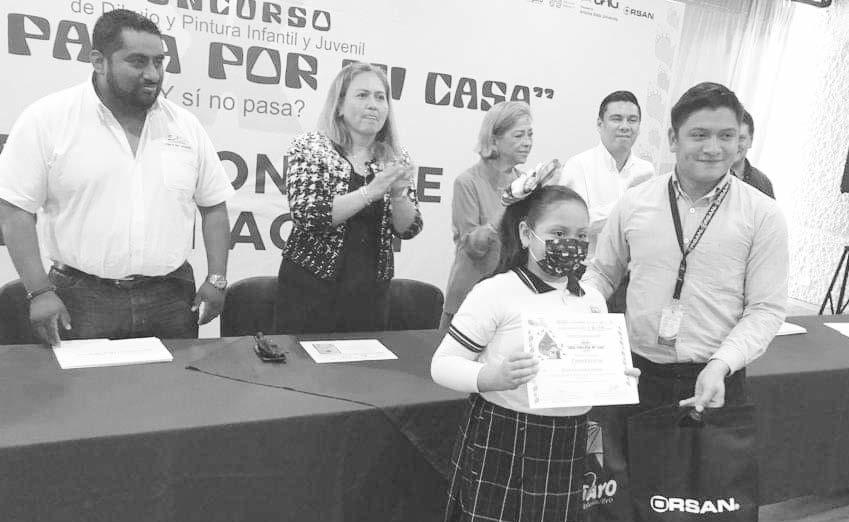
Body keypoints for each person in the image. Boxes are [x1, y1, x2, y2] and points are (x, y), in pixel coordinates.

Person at [0, 9, 234, 344]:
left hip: (172, 297)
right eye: (138, 62)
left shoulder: (185, 126)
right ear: (99, 61)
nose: (153, 74)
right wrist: (39, 291)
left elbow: (213, 206)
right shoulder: (47, 120)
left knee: (176, 380)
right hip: (81, 298)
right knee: (86, 381)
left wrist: (217, 278)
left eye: (159, 61)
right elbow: (15, 210)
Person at [432, 183, 636, 522]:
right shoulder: (494, 292)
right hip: (506, 432)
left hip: (569, 438)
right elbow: (442, 365)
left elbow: (592, 368)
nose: (571, 243)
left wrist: (617, 376)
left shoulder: (592, 299)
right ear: (527, 234)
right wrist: (490, 377)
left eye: (581, 235)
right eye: (558, 233)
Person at [586, 81, 788, 413]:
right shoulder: (635, 202)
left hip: (715, 378)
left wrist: (722, 364)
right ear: (673, 139)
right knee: (627, 449)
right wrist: (583, 311)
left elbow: (765, 308)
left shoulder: (763, 214)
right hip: (636, 374)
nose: (713, 148)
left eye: (726, 136)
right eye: (699, 135)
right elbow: (602, 273)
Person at [276, 62, 423, 334]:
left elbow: (409, 228)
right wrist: (370, 192)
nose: (373, 105)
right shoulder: (311, 147)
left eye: (380, 97)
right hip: (310, 290)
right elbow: (307, 214)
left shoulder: (395, 156)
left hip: (371, 295)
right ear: (340, 106)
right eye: (362, 95)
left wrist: (399, 195)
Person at [440, 101, 533, 332]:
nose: (527, 142)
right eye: (519, 135)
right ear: (494, 140)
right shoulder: (467, 182)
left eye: (530, 134)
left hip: (512, 300)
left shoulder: (524, 182)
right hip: (470, 298)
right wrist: (507, 205)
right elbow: (474, 247)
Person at [557, 90, 655, 258]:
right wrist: (627, 206)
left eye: (632, 120)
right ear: (599, 124)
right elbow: (571, 224)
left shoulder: (646, 171)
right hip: (586, 267)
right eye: (617, 119)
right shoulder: (579, 165)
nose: (625, 126)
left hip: (632, 267)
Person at [731, 109, 775, 198]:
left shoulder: (763, 183)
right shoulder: (707, 177)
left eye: (741, 138)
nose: (734, 144)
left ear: (750, 141)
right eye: (729, 137)